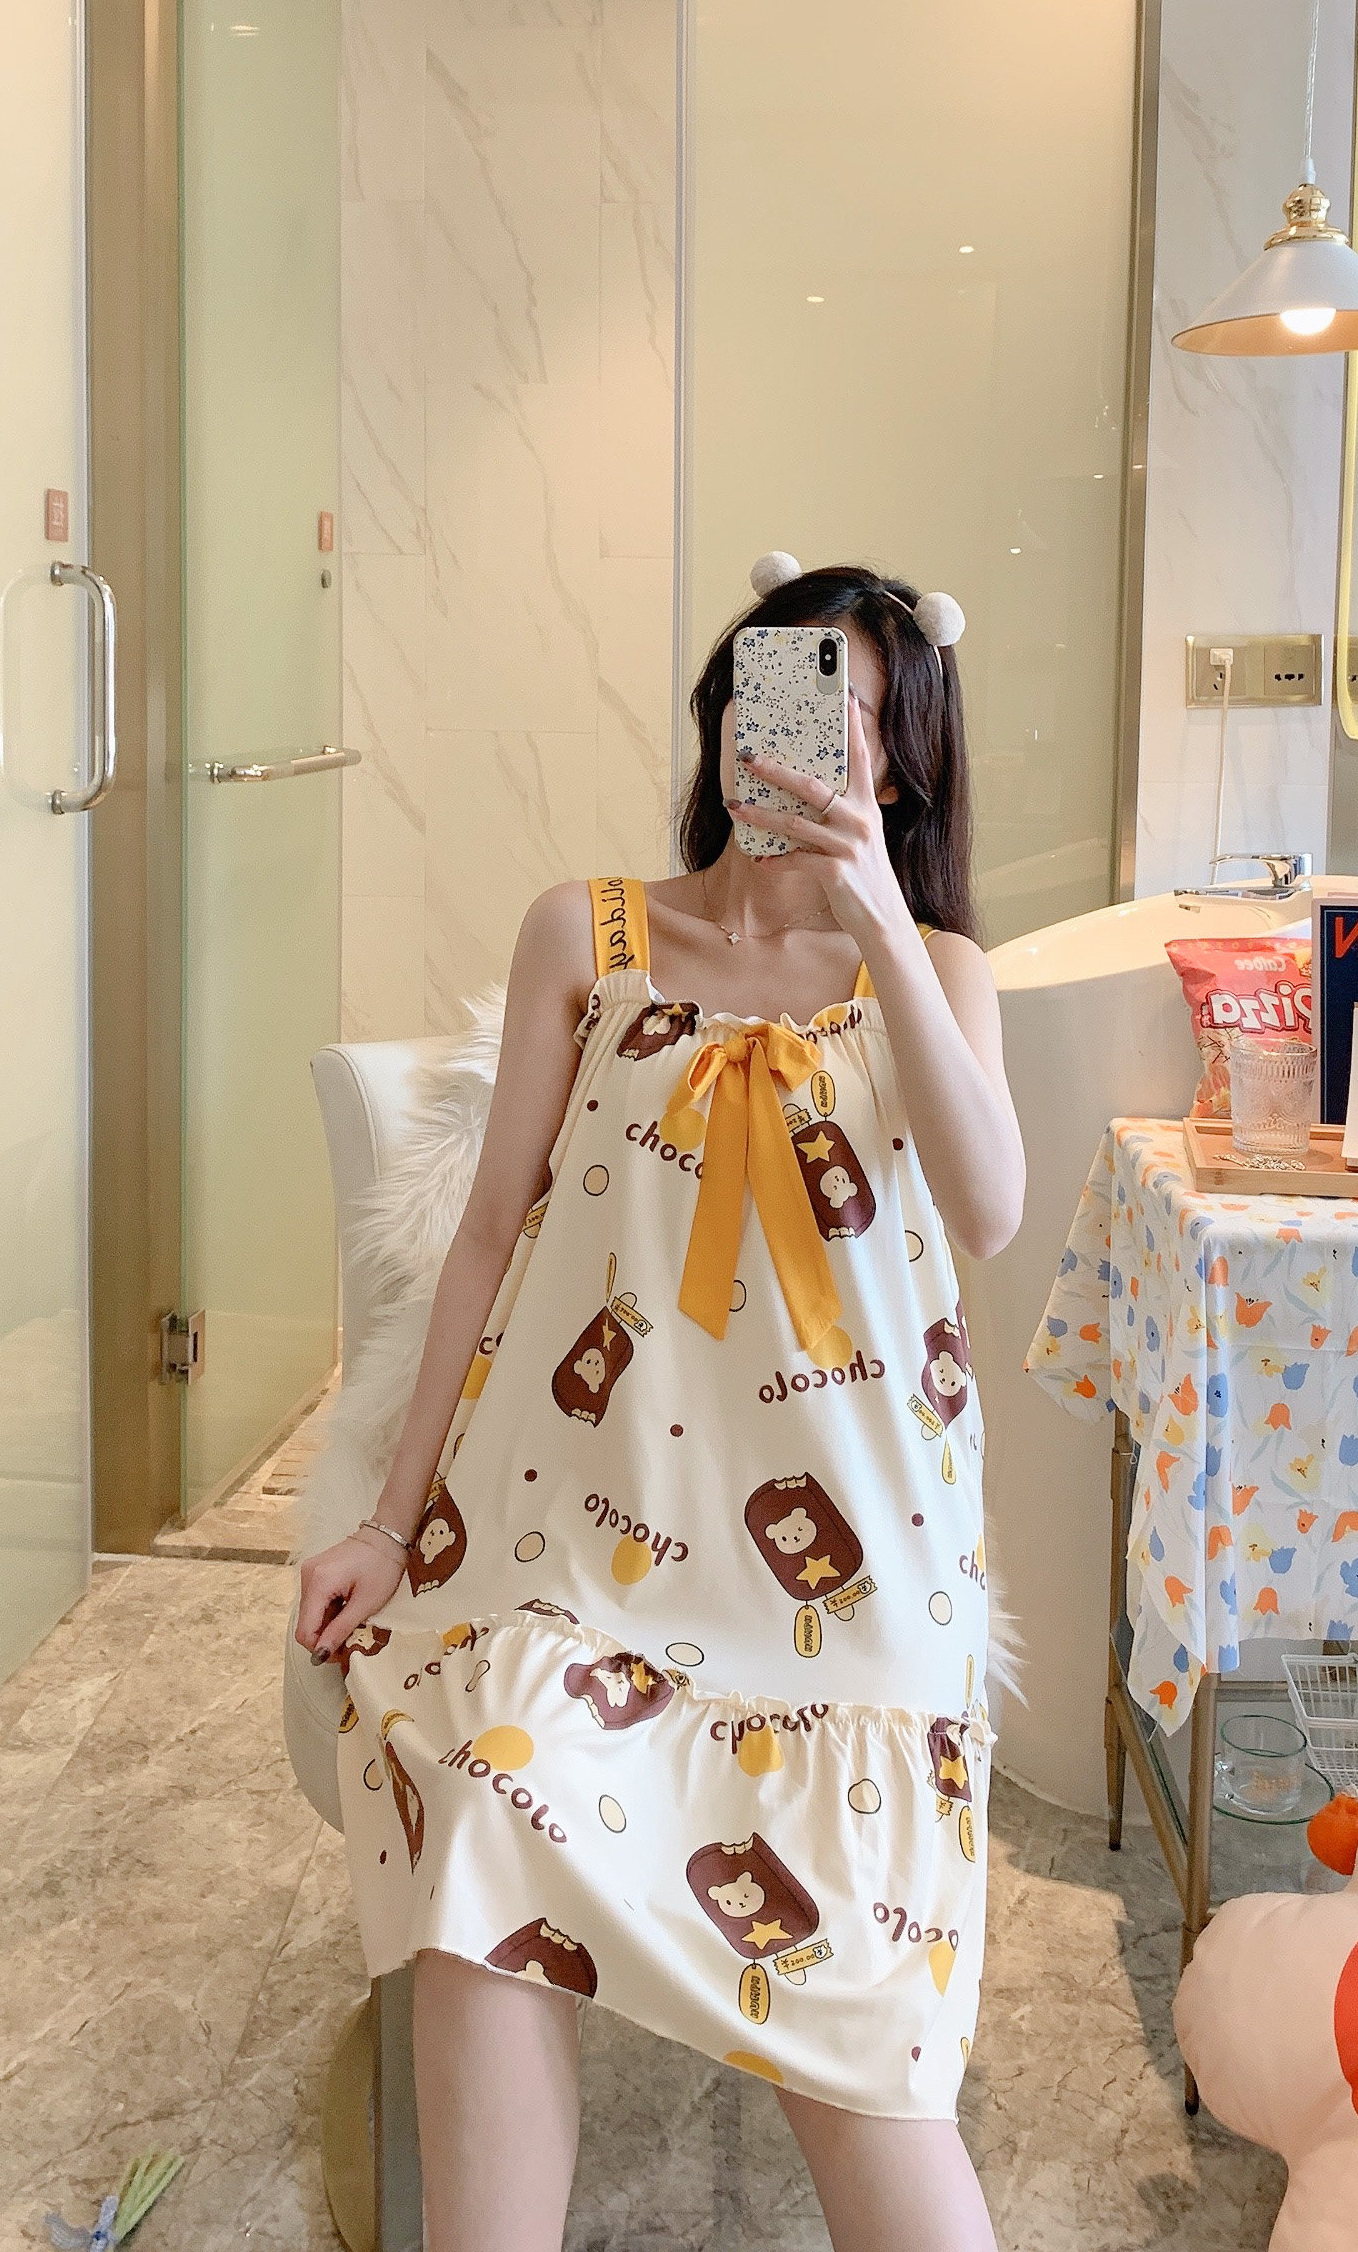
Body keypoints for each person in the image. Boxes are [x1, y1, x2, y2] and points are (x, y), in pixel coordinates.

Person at [296, 558, 1024, 2252]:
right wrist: (392, 1524)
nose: (816, 740)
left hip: (859, 1594)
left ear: (906, 759)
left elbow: (988, 1210)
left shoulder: (938, 970)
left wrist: (878, 921)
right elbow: (490, 1234)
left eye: (859, 714)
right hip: (577, 1555)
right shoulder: (588, 932)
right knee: (491, 1798)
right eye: (786, 690)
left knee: (867, 2014)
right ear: (725, 714)